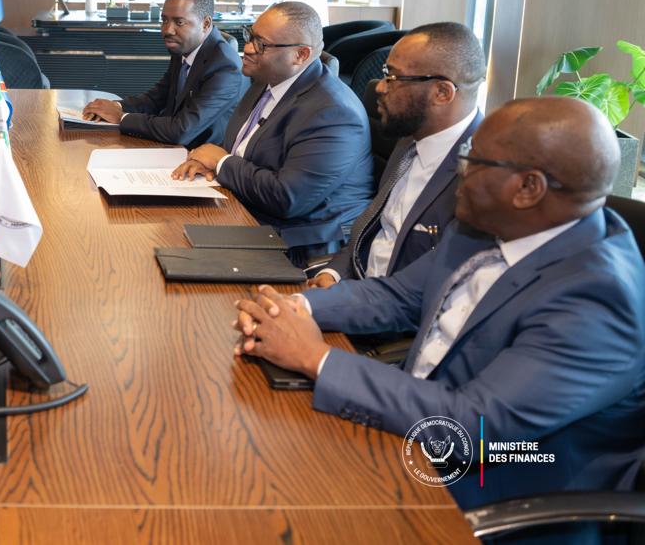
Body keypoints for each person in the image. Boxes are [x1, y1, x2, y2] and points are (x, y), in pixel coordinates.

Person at [233, 97, 645, 512]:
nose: (457, 170)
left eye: (472, 160)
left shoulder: (597, 302)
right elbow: (398, 295)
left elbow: (472, 428)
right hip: (410, 427)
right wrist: (294, 309)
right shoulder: (487, 226)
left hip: (488, 490)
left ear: (527, 189)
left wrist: (313, 357)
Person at [173, 1, 372, 262]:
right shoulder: (266, 80)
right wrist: (210, 163)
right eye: (250, 36)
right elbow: (242, 150)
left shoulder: (334, 113)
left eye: (262, 44)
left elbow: (287, 198)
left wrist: (221, 162)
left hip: (299, 245)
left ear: (300, 55)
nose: (248, 48)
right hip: (247, 211)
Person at [309, 22, 485, 287]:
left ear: (442, 93)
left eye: (393, 77)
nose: (379, 87)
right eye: (384, 73)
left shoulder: (483, 175)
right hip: (355, 287)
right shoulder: (409, 140)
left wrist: (338, 301)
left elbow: (431, 289)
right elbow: (372, 230)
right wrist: (332, 274)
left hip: (391, 306)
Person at [81, 0, 246, 148]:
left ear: (205, 24)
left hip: (199, 154)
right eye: (165, 20)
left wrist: (120, 117)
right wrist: (115, 106)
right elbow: (156, 98)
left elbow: (182, 130)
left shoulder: (225, 68)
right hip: (171, 146)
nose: (168, 30)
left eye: (179, 22)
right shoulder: (184, 47)